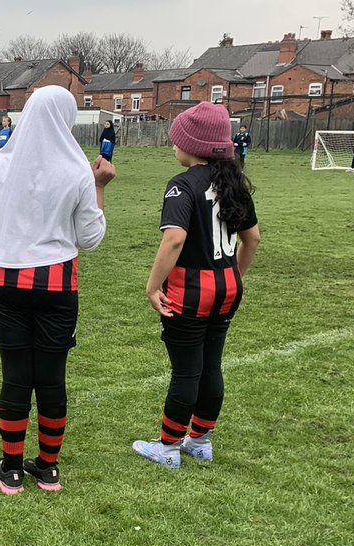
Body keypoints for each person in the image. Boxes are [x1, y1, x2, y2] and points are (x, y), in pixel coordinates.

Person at [0, 86, 116, 495]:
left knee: (16, 375)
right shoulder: (76, 172)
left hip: (8, 281)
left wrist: (7, 211)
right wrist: (100, 186)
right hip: (57, 282)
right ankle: (48, 468)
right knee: (51, 377)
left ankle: (12, 468)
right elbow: (91, 238)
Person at [131, 102, 261, 468]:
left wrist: (153, 286)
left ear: (194, 145)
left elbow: (173, 240)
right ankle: (201, 440)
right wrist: (233, 274)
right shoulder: (234, 182)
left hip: (191, 288)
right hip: (227, 286)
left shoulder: (182, 186)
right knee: (211, 365)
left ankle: (169, 448)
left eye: (177, 140)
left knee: (186, 369)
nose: (173, 146)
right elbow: (252, 239)